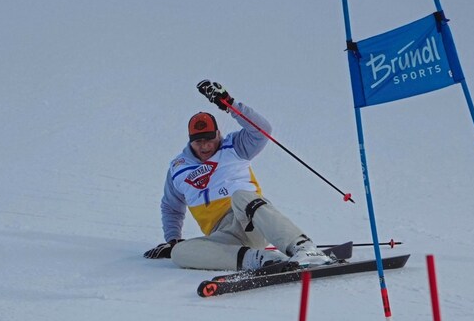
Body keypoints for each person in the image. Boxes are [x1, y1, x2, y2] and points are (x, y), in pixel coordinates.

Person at [142, 80, 335, 271]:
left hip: (249, 220)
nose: (205, 146)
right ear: (190, 141)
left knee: (240, 195)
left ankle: (304, 248)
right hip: (223, 235)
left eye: (209, 139)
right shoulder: (178, 168)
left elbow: (263, 130)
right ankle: (261, 260)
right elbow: (171, 207)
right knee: (179, 253)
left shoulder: (235, 146)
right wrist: (173, 239)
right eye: (198, 141)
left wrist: (230, 104)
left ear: (218, 133)